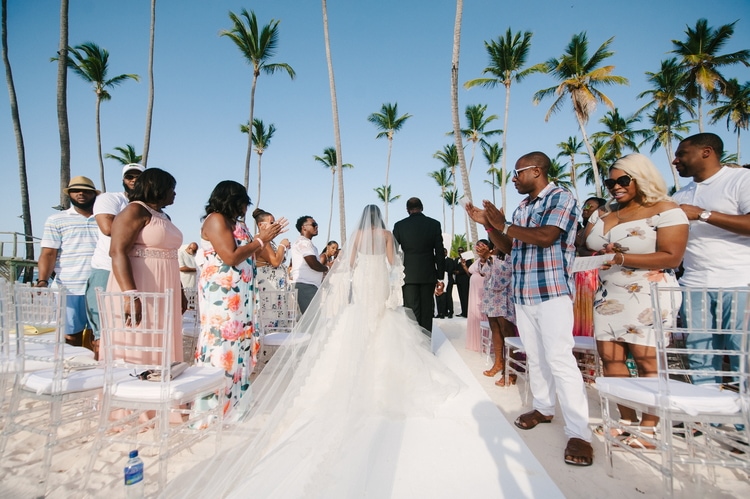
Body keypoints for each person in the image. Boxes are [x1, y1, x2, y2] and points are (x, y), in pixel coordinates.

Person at [167, 204, 461, 497]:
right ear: (380, 217)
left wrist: (351, 276)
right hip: (379, 277)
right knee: (381, 316)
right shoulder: (385, 233)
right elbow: (393, 262)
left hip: (362, 279)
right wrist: (392, 280)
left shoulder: (357, 234)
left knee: (360, 315)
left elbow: (350, 262)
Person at [465, 151, 593, 466]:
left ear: (536, 171)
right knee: (535, 356)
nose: (514, 178)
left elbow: (548, 236)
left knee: (560, 358)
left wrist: (504, 225)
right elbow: (509, 247)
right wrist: (492, 229)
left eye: (518, 172)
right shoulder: (523, 207)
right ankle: (544, 407)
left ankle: (579, 432)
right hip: (523, 294)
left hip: (551, 292)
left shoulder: (561, 197)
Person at [584, 154, 688, 448]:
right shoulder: (604, 211)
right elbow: (582, 243)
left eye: (623, 180)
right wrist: (597, 228)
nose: (615, 186)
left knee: (646, 361)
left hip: (647, 292)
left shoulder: (666, 210)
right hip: (608, 293)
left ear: (641, 178)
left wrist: (622, 257)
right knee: (611, 358)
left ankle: (650, 428)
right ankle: (626, 420)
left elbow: (672, 256)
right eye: (610, 181)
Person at [194, 182, 285, 422]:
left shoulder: (237, 224)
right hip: (222, 296)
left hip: (241, 294)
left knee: (240, 347)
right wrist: (260, 240)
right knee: (222, 346)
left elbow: (252, 253)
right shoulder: (216, 220)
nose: (245, 209)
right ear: (233, 200)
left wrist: (265, 240)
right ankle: (213, 411)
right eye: (243, 203)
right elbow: (231, 256)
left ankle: (235, 406)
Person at [672, 133, 750, 385]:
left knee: (743, 355)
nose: (675, 161)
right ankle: (708, 422)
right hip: (694, 283)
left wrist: (704, 214)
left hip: (739, 281)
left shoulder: (741, 179)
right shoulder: (680, 195)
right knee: (700, 356)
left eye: (682, 154)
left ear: (706, 152)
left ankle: (744, 422)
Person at [107, 168, 183, 364]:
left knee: (161, 335)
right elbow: (117, 251)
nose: (174, 193)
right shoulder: (135, 210)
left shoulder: (164, 217)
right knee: (140, 334)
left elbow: (172, 256)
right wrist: (131, 294)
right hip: (139, 283)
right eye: (171, 188)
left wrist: (180, 291)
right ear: (158, 188)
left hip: (165, 284)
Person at [85, 164, 144, 354]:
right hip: (107, 269)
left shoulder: (150, 208)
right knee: (103, 334)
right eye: (129, 176)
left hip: (137, 271)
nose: (134, 180)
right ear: (123, 180)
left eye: (138, 176)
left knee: (134, 333)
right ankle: (101, 378)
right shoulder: (109, 199)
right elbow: (109, 229)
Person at [37, 176, 99, 346]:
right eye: (76, 190)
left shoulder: (106, 220)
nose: (81, 193)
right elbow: (49, 253)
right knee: (71, 336)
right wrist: (42, 280)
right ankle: (76, 371)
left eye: (86, 190)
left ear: (94, 194)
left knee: (100, 337)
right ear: (69, 194)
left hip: (100, 287)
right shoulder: (56, 220)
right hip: (69, 288)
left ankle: (99, 370)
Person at [393, 197, 445, 334]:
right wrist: (440, 277)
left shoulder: (399, 226)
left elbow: (393, 251)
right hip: (428, 273)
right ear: (422, 208)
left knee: (411, 311)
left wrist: (395, 273)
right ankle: (427, 344)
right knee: (427, 311)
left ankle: (414, 345)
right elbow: (439, 251)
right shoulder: (434, 224)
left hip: (408, 274)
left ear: (407, 210)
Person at [480, 247, 517, 386]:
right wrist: (485, 259)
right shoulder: (494, 252)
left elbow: (507, 271)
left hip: (504, 294)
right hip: (491, 295)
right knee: (494, 329)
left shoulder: (510, 250)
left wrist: (490, 258)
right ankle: (498, 363)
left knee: (507, 331)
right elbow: (484, 272)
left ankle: (511, 371)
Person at [573, 196, 606, 337]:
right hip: (580, 274)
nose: (585, 209)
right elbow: (580, 248)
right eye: (584, 206)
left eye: (590, 207)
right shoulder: (579, 230)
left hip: (595, 274)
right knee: (579, 311)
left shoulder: (602, 228)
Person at [290, 216, 329, 314]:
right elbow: (313, 264)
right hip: (305, 285)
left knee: (312, 320)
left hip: (311, 285)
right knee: (312, 320)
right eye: (314, 225)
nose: (317, 227)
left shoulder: (309, 244)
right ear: (304, 227)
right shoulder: (302, 242)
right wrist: (327, 268)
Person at [463, 239, 491, 352]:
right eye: (477, 245)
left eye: (481, 245)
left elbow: (483, 272)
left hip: (482, 290)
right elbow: (470, 273)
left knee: (481, 314)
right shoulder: (477, 260)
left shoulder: (488, 259)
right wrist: (464, 266)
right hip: (473, 291)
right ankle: (474, 342)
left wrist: (484, 258)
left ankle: (484, 342)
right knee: (473, 312)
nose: (478, 247)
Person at [454, 246, 471, 317]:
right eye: (459, 251)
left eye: (461, 251)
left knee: (465, 296)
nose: (460, 252)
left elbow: (469, 269)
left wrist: (459, 272)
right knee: (461, 296)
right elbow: (453, 268)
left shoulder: (468, 260)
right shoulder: (456, 260)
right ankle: (463, 312)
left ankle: (467, 312)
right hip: (458, 281)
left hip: (465, 280)